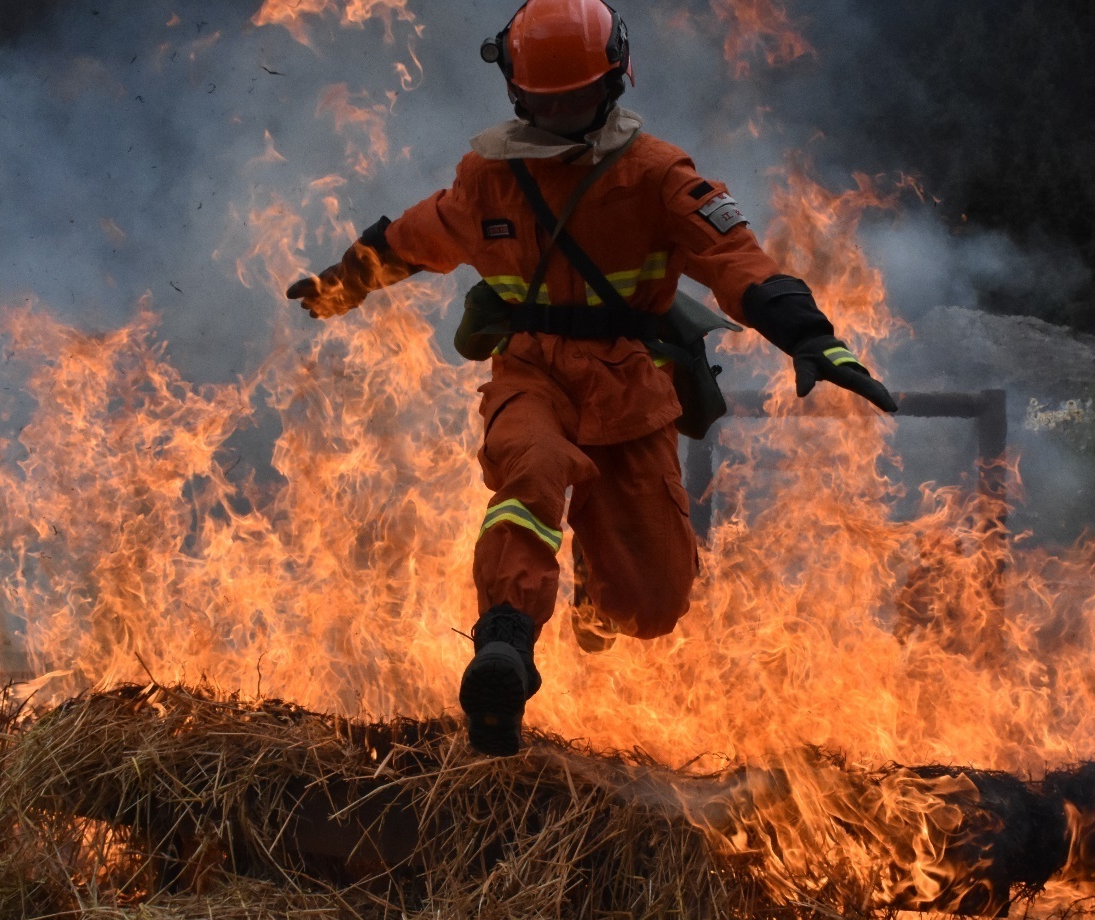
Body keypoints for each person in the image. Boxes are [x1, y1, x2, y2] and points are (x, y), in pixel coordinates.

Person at [286, 0, 897, 756]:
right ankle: (504, 648)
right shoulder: (488, 179)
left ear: (611, 83)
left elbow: (733, 257)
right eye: (543, 101)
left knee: (653, 604)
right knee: (529, 472)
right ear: (513, 90)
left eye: (573, 99)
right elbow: (411, 241)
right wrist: (341, 286)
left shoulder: (656, 176)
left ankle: (598, 599)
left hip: (626, 386)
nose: (557, 115)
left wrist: (811, 337)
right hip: (530, 372)